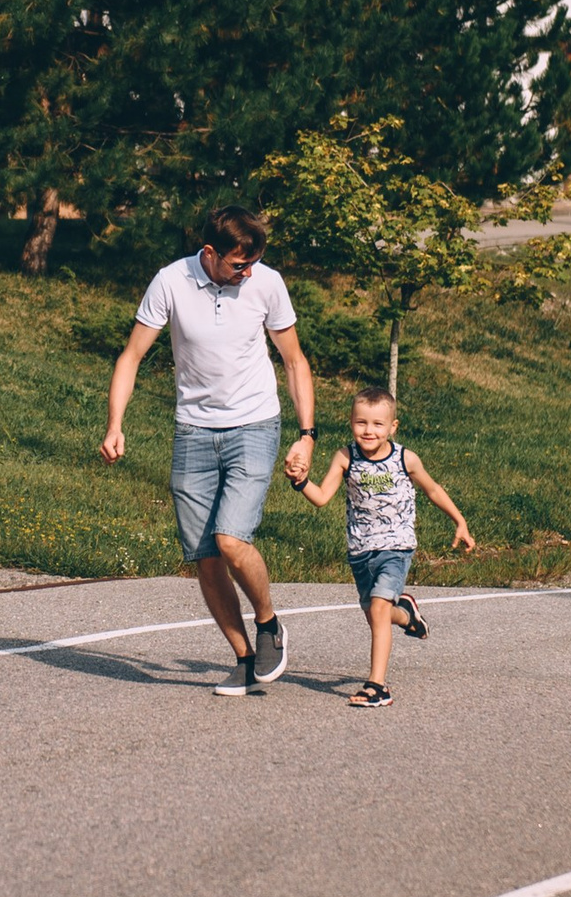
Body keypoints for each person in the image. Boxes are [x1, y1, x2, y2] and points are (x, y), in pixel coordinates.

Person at [103, 206, 319, 696]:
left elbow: (294, 359)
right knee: (203, 555)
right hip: (194, 432)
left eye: (255, 262)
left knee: (230, 539)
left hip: (254, 424)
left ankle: (269, 626)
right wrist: (116, 424)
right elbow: (132, 355)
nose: (248, 272)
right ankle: (244, 658)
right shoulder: (171, 281)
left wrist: (307, 434)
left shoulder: (266, 283)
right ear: (210, 254)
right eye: (239, 264)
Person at [289, 387, 473, 708]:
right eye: (361, 423)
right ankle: (409, 617)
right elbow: (321, 498)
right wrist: (300, 481)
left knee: (377, 610)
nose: (369, 431)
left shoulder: (405, 458)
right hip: (360, 550)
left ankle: (377, 686)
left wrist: (459, 520)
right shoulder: (345, 457)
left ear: (393, 426)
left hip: (396, 547)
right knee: (378, 614)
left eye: (377, 424)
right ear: (351, 422)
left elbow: (432, 489)